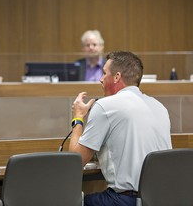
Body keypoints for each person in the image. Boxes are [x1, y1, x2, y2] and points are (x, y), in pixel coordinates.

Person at [69, 51, 172, 206]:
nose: (100, 79)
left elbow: (75, 161)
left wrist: (78, 117)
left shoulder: (105, 106)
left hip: (126, 201)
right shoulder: (160, 107)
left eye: (104, 73)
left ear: (116, 77)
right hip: (164, 199)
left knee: (68, 201)